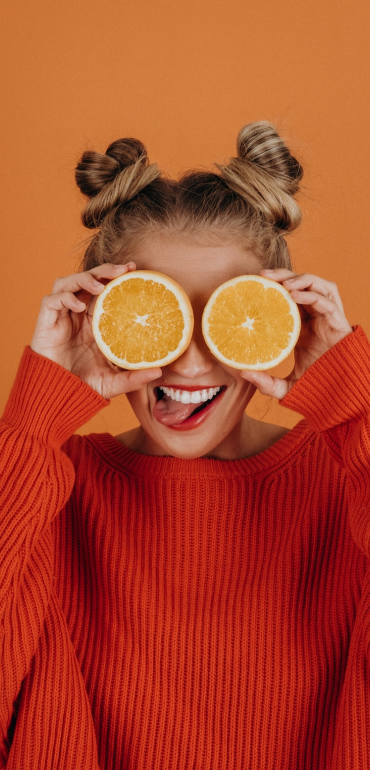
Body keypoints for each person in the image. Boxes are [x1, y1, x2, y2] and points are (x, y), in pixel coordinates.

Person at [1, 122, 369, 769]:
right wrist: (33, 423)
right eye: (155, 314)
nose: (192, 363)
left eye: (227, 316)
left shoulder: (345, 480)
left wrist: (355, 408)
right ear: (99, 319)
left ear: (282, 320)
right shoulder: (46, 490)